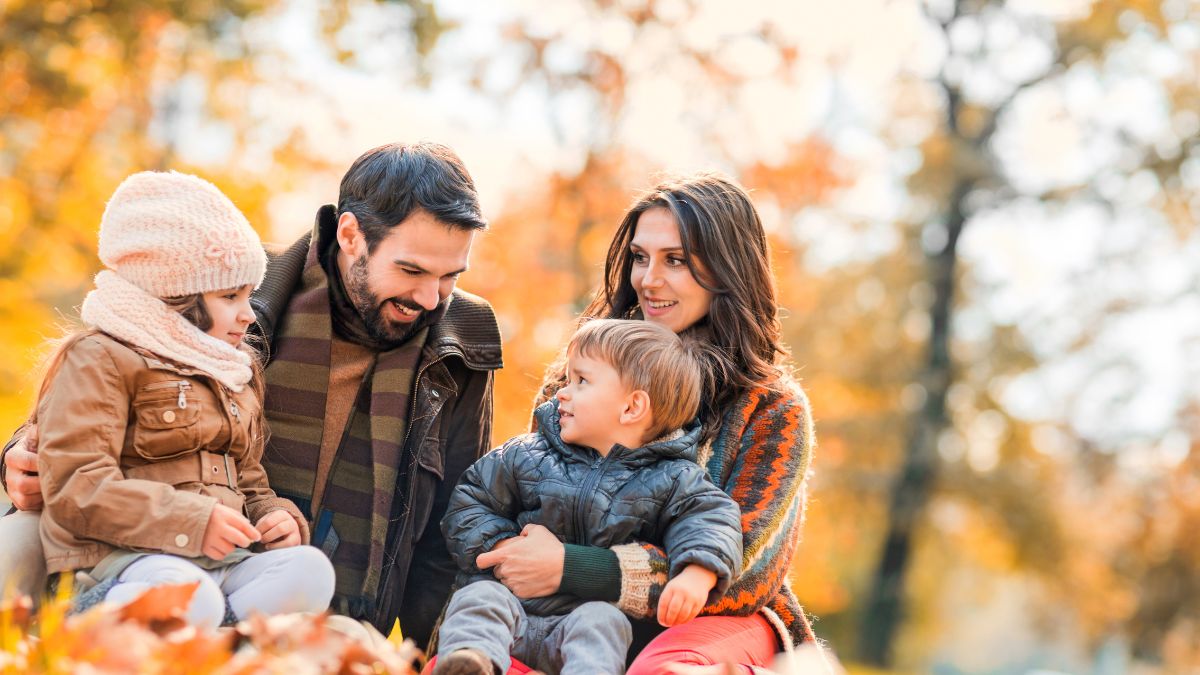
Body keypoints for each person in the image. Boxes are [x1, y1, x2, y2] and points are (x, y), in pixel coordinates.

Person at [1, 142, 502, 647]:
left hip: (293, 592)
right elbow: (108, 374)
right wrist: (17, 456)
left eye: (450, 276)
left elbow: (450, 525)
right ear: (351, 235)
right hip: (151, 555)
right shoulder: (234, 290)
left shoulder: (461, 340)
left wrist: (438, 654)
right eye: (412, 271)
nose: (430, 297)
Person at [473, 173, 823, 673]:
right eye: (640, 257)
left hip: (714, 623)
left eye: (675, 260)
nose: (648, 279)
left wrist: (576, 567)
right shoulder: (571, 383)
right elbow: (530, 522)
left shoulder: (771, 409)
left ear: (728, 271)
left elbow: (743, 573)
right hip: (571, 615)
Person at [31, 171, 334, 627]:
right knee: (188, 593)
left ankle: (211, 636)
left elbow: (246, 475)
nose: (248, 314)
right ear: (171, 297)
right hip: (123, 561)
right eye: (229, 295)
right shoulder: (100, 358)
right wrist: (191, 522)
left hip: (216, 564)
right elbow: (77, 486)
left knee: (311, 571)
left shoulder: (231, 369)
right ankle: (86, 621)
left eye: (249, 294)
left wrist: (273, 516)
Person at [435, 319, 743, 675]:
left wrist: (696, 574)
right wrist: (502, 546)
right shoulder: (528, 454)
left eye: (581, 381)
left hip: (577, 623)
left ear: (631, 408)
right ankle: (473, 662)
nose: (562, 393)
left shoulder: (673, 477)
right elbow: (471, 500)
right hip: (509, 610)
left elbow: (710, 519)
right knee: (478, 600)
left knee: (603, 622)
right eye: (567, 380)